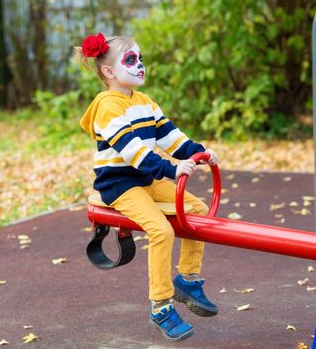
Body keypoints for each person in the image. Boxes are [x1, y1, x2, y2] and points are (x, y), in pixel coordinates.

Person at [76, 32, 219, 342]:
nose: (139, 65)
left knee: (199, 210)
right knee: (161, 230)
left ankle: (188, 280)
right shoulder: (106, 106)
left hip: (146, 179)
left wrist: (198, 152)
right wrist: (171, 169)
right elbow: (133, 150)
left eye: (140, 59)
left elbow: (170, 137)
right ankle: (160, 305)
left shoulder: (144, 102)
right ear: (109, 72)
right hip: (119, 184)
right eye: (131, 60)